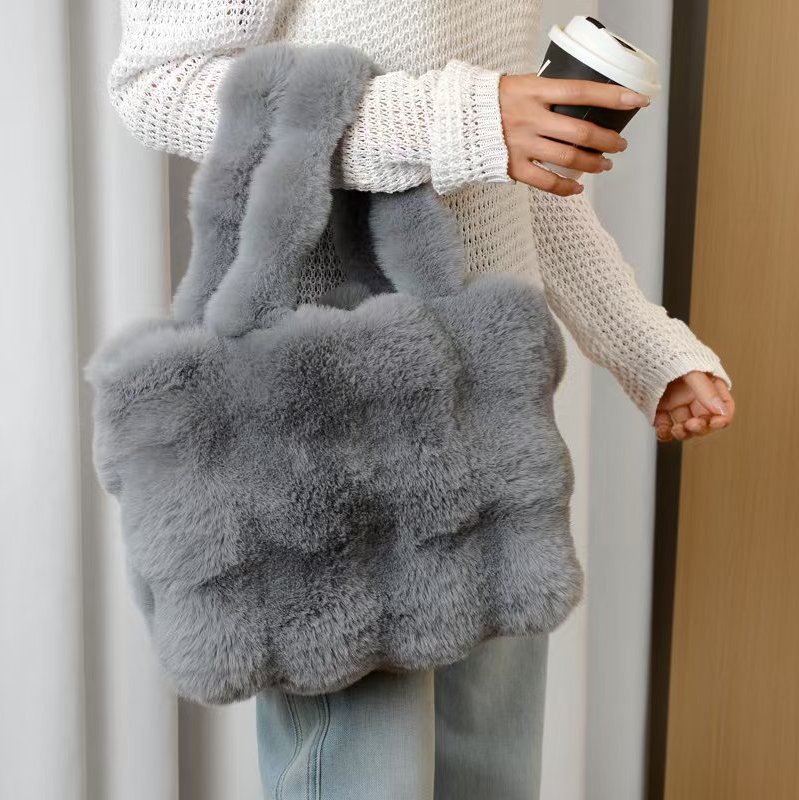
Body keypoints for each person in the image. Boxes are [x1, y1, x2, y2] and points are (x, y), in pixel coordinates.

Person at [108, 1, 736, 798]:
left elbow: (514, 174)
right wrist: (461, 117)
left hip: (488, 393)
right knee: (368, 774)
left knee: (492, 771)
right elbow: (158, 87)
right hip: (326, 406)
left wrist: (646, 343)